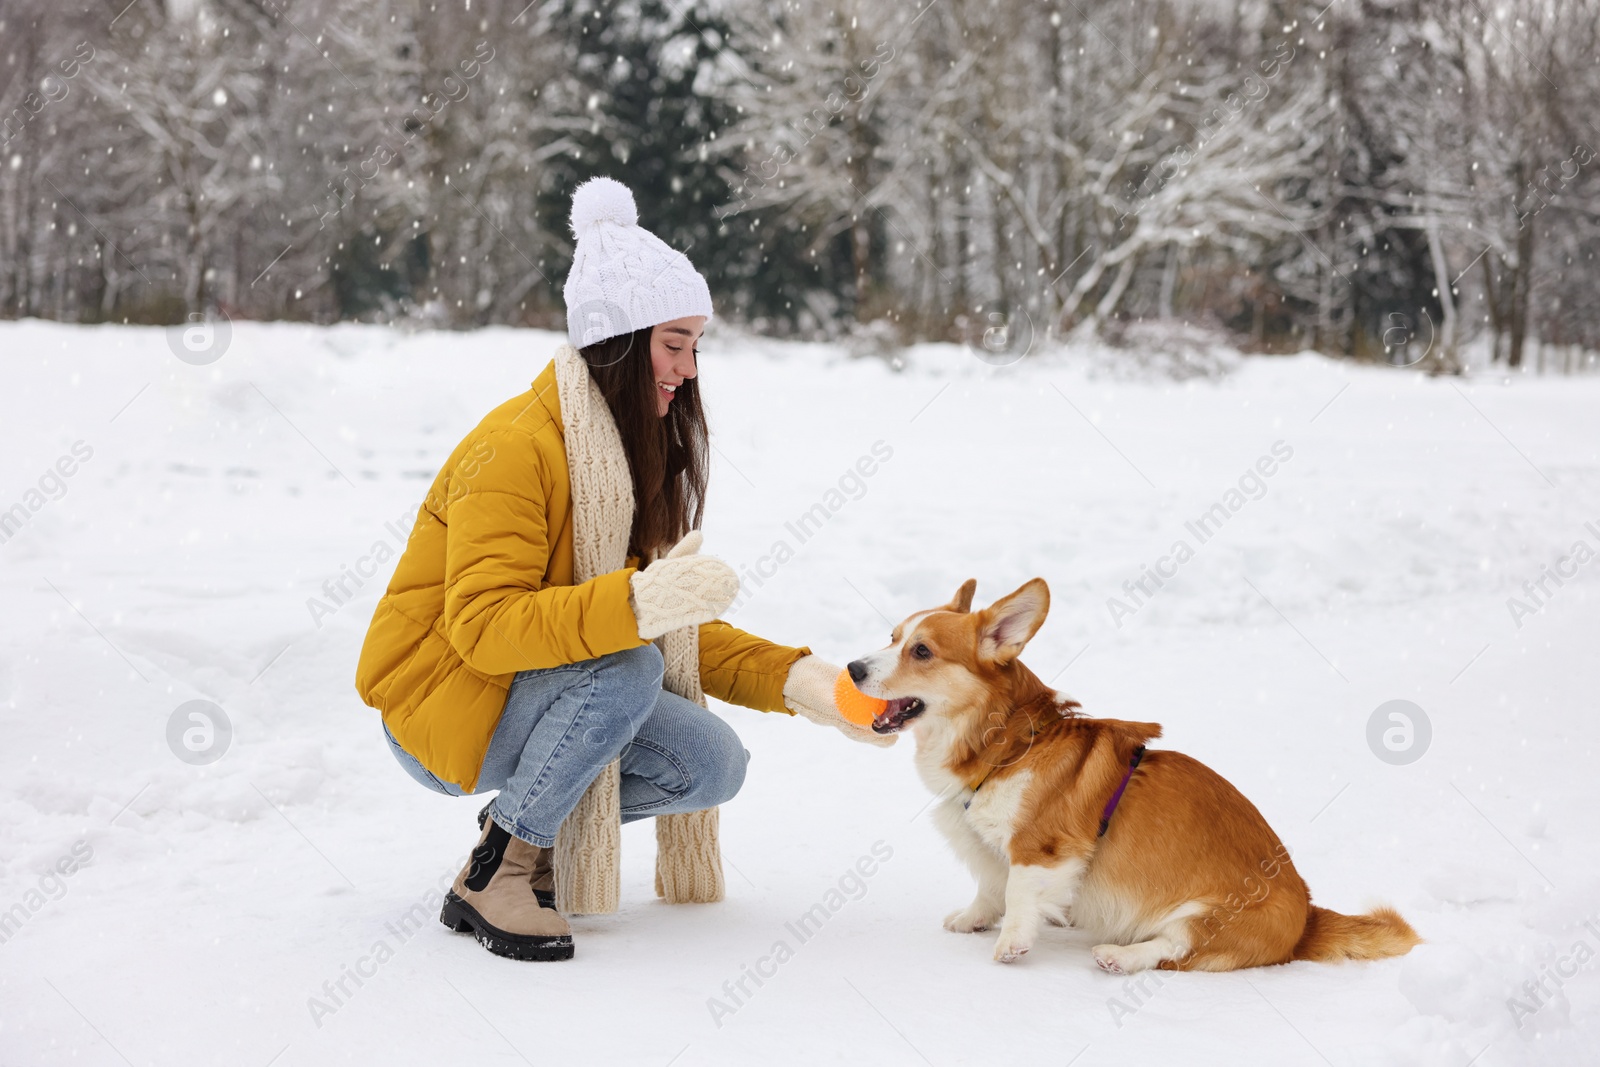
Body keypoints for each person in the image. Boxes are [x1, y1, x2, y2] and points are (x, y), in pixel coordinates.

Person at [354, 176, 889, 961]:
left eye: (697, 346)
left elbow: (670, 620)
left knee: (711, 762)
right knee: (627, 665)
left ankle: (520, 825)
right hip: (440, 701)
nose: (691, 368)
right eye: (675, 344)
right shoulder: (514, 447)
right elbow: (483, 628)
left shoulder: (620, 461)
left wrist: (809, 683)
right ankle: (501, 868)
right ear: (620, 342)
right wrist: (637, 605)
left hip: (536, 688)